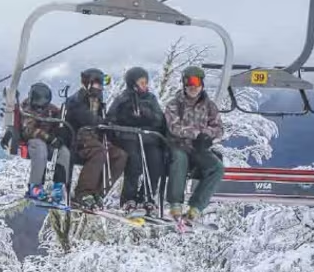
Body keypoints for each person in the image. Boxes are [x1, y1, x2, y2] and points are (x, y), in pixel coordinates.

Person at [164, 66, 225, 226]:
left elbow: (219, 129)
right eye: (189, 82)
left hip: (199, 149)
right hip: (179, 145)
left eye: (197, 82)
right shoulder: (174, 105)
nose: (193, 87)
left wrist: (207, 136)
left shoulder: (209, 106)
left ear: (202, 84)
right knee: (180, 159)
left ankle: (195, 209)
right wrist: (197, 134)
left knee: (217, 167)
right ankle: (175, 206)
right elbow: (174, 127)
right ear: (184, 84)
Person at [107, 66, 168, 218]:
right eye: (141, 83)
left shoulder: (150, 99)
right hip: (129, 137)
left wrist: (148, 115)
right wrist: (125, 121)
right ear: (133, 83)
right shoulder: (122, 99)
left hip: (149, 137)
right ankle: (129, 199)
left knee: (155, 163)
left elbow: (160, 119)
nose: (145, 86)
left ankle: (147, 198)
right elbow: (111, 118)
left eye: (146, 83)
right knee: (134, 162)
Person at [67, 68, 129, 210]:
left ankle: (98, 193)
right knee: (99, 151)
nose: (100, 87)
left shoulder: (99, 102)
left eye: (102, 84)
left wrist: (113, 126)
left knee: (120, 155)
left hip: (96, 138)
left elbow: (102, 122)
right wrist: (104, 122)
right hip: (79, 138)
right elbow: (86, 118)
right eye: (97, 84)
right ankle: (83, 193)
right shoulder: (77, 100)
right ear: (88, 83)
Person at [11, 82, 72, 204]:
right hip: (32, 141)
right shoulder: (26, 108)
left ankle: (58, 186)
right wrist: (49, 138)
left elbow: (59, 121)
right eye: (38, 106)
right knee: (40, 147)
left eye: (43, 106)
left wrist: (61, 132)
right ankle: (35, 186)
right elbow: (29, 131)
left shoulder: (51, 110)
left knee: (64, 152)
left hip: (49, 142)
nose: (40, 109)